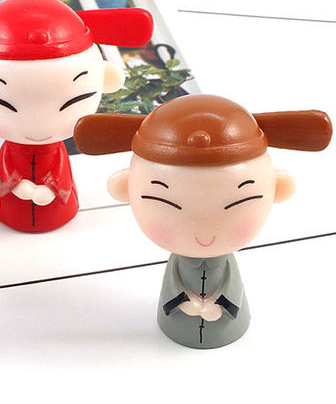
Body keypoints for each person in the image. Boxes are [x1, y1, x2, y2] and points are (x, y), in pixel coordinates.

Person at [74, 94, 332, 348]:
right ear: (126, 188)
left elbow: (231, 287)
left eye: (239, 203)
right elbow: (174, 287)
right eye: (166, 203)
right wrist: (182, 302)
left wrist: (223, 304)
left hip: (228, 320)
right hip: (174, 320)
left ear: (278, 188)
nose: (204, 234)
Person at [0, 0, 153, 232]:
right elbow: (6, 171)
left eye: (72, 101)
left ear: (106, 78)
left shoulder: (55, 149)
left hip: (58, 207)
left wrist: (51, 188)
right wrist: (18, 186)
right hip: (11, 209)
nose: (39, 125)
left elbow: (59, 172)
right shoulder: (10, 149)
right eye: (2, 103)